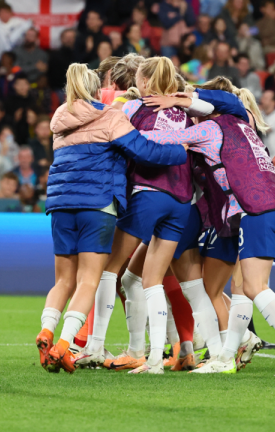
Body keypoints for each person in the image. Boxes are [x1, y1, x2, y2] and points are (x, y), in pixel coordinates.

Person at [137, 91, 275, 376]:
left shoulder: (211, 127)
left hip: (254, 209)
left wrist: (124, 132)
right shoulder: (244, 127)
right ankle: (226, 357)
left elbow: (166, 138)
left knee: (255, 287)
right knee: (241, 288)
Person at [36, 63, 187, 374]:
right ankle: (64, 346)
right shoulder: (109, 116)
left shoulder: (59, 119)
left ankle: (46, 331)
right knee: (90, 279)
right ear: (96, 91)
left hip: (60, 204)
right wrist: (181, 151)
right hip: (97, 204)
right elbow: (145, 151)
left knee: (63, 280)